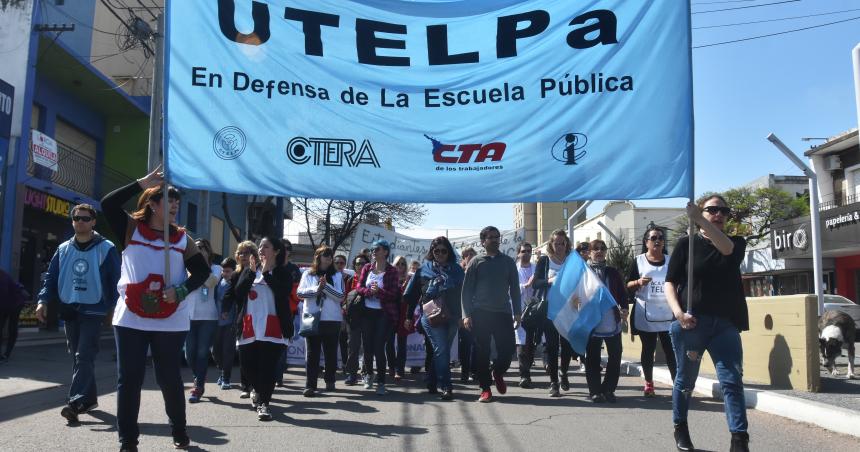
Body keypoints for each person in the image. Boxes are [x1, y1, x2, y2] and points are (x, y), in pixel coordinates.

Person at [101, 166, 211, 450]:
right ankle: (128, 440)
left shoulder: (182, 239)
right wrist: (141, 182)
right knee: (130, 379)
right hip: (131, 317)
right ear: (152, 204)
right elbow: (107, 203)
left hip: (169, 317)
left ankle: (179, 431)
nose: (175, 205)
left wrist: (183, 289)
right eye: (168, 200)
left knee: (169, 378)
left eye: (177, 201)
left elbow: (201, 273)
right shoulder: (130, 229)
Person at [665, 196, 750, 452]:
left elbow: (725, 250)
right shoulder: (686, 245)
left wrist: (699, 218)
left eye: (723, 210)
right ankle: (680, 426)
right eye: (712, 210)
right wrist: (678, 313)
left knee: (732, 381)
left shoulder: (735, 243)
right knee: (685, 381)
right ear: (703, 211)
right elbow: (671, 282)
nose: (719, 214)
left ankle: (739, 439)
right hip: (692, 324)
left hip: (725, 324)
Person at [36, 203, 121, 422]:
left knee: (83, 355)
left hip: (94, 310)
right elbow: (51, 277)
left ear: (93, 222)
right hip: (70, 308)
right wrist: (42, 300)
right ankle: (89, 398)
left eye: (85, 218)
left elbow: (116, 281)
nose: (80, 222)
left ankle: (74, 402)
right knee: (79, 358)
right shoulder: (63, 248)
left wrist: (114, 308)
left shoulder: (106, 248)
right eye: (76, 218)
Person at [222, 236, 293, 421]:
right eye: (260, 246)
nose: (261, 249)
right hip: (249, 325)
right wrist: (252, 273)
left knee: (267, 368)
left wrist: (268, 274)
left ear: (276, 251)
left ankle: (264, 404)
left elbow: (283, 292)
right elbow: (238, 294)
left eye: (266, 246)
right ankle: (257, 390)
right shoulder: (249, 271)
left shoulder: (283, 272)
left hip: (274, 326)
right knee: (247, 365)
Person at [461, 226, 521, 403]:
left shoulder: (508, 262)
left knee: (508, 349)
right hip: (481, 313)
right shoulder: (476, 262)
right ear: (483, 241)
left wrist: (517, 312)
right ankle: (485, 389)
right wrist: (466, 314)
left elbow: (515, 289)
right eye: (490, 237)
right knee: (482, 352)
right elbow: (466, 291)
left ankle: (497, 371)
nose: (494, 240)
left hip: (503, 313)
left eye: (497, 237)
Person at [404, 237, 464, 400]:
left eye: (443, 251)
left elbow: (464, 295)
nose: (440, 254)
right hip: (430, 316)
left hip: (452, 316)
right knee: (441, 349)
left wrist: (463, 316)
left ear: (449, 252)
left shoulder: (457, 270)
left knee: (441, 351)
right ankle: (446, 386)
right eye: (436, 251)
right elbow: (412, 295)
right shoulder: (423, 270)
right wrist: (409, 316)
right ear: (431, 252)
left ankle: (431, 381)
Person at [627, 226, 676, 397]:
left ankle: (677, 384)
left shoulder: (672, 261)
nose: (658, 240)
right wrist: (638, 282)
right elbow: (627, 285)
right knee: (648, 349)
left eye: (661, 238)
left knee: (671, 350)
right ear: (646, 242)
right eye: (654, 237)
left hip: (668, 313)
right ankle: (649, 383)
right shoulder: (638, 261)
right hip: (646, 313)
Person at [531, 230, 579, 397]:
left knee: (566, 346)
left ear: (567, 244)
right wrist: (549, 281)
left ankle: (563, 373)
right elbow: (535, 283)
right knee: (551, 346)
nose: (559, 246)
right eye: (556, 243)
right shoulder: (545, 261)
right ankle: (553, 383)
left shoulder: (573, 261)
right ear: (551, 245)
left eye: (562, 243)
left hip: (569, 311)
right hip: (549, 310)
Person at [297, 245, 345, 397]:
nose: (329, 258)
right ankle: (310, 385)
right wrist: (317, 289)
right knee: (312, 353)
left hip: (332, 319)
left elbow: (340, 296)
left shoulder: (337, 275)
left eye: (330, 256)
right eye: (326, 255)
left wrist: (325, 287)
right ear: (318, 257)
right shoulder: (307, 274)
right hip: (312, 317)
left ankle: (330, 380)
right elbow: (300, 293)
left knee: (330, 353)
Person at [584, 239, 628, 404]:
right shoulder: (584, 272)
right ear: (590, 252)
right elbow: (576, 295)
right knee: (593, 357)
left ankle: (609, 389)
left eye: (603, 248)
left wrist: (624, 308)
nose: (600, 251)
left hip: (612, 320)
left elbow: (622, 294)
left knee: (615, 355)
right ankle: (595, 391)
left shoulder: (613, 272)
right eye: (596, 248)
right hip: (592, 321)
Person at [355, 239, 399, 395]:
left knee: (379, 348)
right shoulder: (367, 268)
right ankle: (368, 375)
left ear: (385, 252)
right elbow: (358, 287)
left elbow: (394, 294)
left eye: (377, 249)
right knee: (367, 347)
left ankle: (381, 381)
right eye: (373, 249)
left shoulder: (392, 271)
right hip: (367, 312)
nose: (373, 251)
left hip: (383, 314)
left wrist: (378, 292)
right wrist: (369, 292)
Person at [185, 239, 222, 403]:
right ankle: (198, 375)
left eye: (201, 248)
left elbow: (210, 282)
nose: (198, 250)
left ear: (208, 251)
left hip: (208, 317)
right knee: (189, 353)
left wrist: (198, 273)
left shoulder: (216, 268)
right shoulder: (186, 268)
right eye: (195, 248)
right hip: (188, 316)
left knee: (201, 352)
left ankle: (198, 385)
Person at [274, 239, 301, 387]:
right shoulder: (270, 266)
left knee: (282, 342)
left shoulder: (294, 269)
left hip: (287, 311)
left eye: (286, 248)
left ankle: (278, 376)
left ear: (289, 251)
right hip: (269, 309)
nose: (283, 250)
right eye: (280, 247)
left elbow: (297, 293)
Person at [343, 253, 370, 386]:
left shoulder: (371, 278)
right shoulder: (349, 280)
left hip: (367, 316)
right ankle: (352, 374)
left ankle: (365, 373)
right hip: (352, 318)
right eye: (357, 263)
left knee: (366, 346)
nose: (360, 266)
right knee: (353, 346)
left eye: (363, 263)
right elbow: (344, 298)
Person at [514, 242, 536, 389]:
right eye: (523, 251)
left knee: (531, 344)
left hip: (535, 310)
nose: (526, 253)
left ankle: (527, 370)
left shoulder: (537, 269)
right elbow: (510, 288)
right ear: (518, 253)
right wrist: (526, 285)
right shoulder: (514, 270)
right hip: (519, 310)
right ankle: (524, 375)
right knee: (521, 344)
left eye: (529, 251)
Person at [213, 257, 237, 389]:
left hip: (230, 323)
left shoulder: (235, 283)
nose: (224, 273)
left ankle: (226, 378)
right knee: (215, 351)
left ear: (234, 271)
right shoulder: (218, 282)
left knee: (227, 351)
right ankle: (222, 372)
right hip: (216, 322)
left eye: (227, 271)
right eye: (223, 271)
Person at [388, 256, 411, 381]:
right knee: (389, 342)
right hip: (391, 313)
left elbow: (411, 297)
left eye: (403, 264)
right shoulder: (390, 278)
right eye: (398, 264)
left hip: (403, 313)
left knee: (402, 343)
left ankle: (399, 369)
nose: (400, 266)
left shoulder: (409, 279)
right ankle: (392, 366)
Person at [458, 246, 478, 381]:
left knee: (477, 343)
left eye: (472, 254)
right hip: (464, 313)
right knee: (465, 343)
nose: (469, 256)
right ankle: (465, 371)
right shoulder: (459, 273)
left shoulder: (479, 271)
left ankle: (475, 371)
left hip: (478, 311)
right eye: (467, 254)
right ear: (463, 258)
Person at [0, 268, 26, 364]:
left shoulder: (2, 278)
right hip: (4, 303)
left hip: (15, 303)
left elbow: (3, 295)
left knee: (12, 328)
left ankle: (6, 354)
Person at [334, 254, 351, 373]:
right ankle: (331, 364)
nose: (340, 265)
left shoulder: (349, 278)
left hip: (345, 312)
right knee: (331, 340)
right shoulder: (330, 276)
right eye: (337, 263)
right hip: (331, 312)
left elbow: (349, 294)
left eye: (342, 263)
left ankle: (345, 364)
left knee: (343, 340)